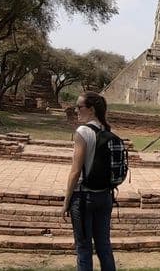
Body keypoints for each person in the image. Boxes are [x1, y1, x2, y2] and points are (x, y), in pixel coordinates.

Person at [61, 91, 116, 271]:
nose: (76, 110)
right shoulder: (106, 131)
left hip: (84, 197)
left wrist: (66, 201)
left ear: (91, 110)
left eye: (79, 107)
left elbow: (76, 171)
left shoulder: (83, 132)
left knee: (84, 248)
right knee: (104, 247)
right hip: (105, 197)